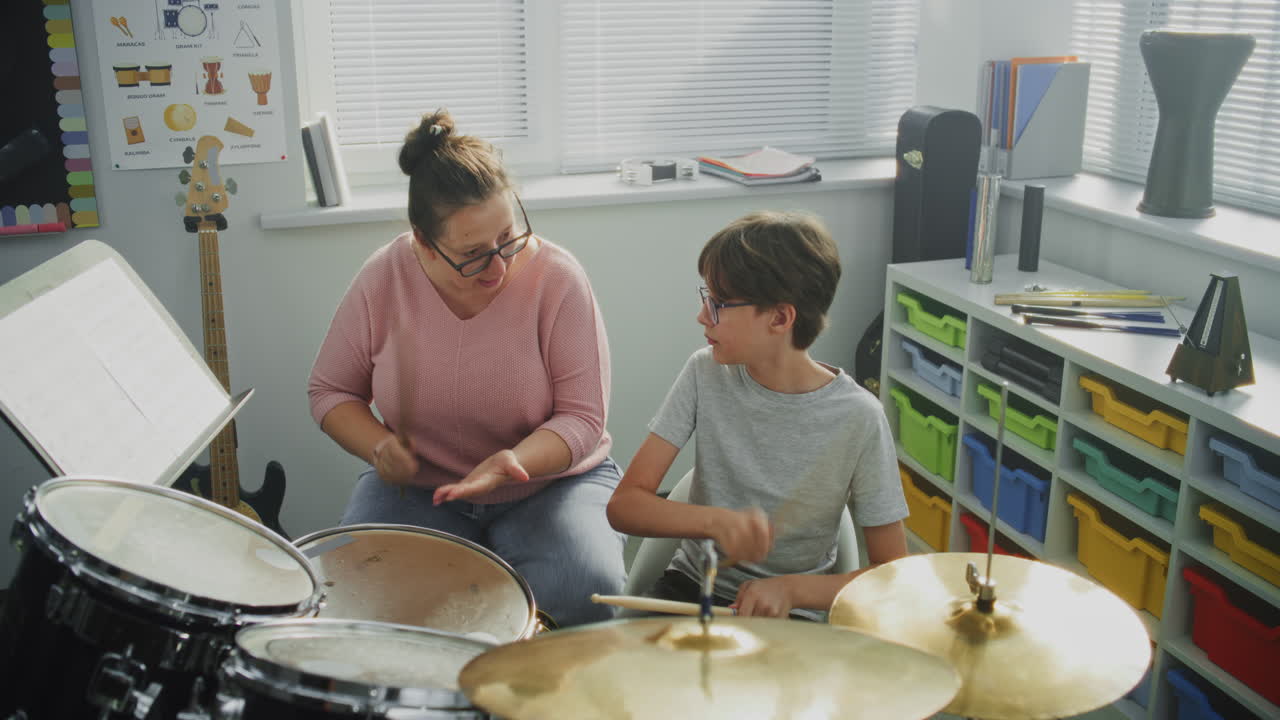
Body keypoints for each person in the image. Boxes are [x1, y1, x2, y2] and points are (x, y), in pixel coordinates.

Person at [308, 109, 625, 627]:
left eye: (508, 236)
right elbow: (330, 390)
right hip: (420, 492)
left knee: (586, 588)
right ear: (423, 244)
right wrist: (379, 446)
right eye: (474, 254)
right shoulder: (385, 278)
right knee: (359, 593)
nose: (500, 266)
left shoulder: (558, 279)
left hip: (551, 486)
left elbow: (583, 419)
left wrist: (512, 462)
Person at [607, 210, 909, 618]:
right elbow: (624, 506)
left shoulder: (860, 418)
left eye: (719, 304)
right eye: (706, 298)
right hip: (691, 591)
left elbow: (890, 577)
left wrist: (791, 589)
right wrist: (712, 521)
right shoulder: (704, 372)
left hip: (791, 613)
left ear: (780, 318)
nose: (701, 316)